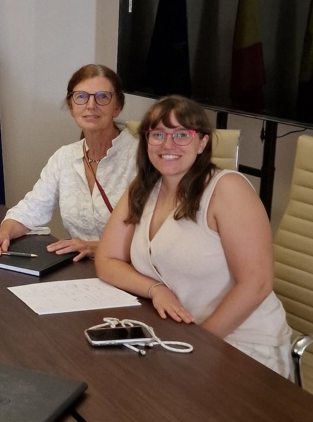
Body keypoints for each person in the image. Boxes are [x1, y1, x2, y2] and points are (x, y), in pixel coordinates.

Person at [95, 95, 293, 378]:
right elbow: (107, 259)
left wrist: (199, 345)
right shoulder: (143, 188)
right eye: (158, 134)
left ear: (202, 142)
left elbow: (257, 284)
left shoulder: (227, 189)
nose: (168, 144)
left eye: (181, 135)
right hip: (179, 335)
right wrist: (155, 289)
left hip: (241, 343)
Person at [0, 64, 138, 261]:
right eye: (81, 96)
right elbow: (30, 210)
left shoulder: (141, 158)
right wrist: (2, 234)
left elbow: (155, 236)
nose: (91, 105)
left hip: (130, 271)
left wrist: (95, 247)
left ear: (117, 107)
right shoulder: (64, 157)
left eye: (102, 96)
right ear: (72, 108)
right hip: (80, 271)